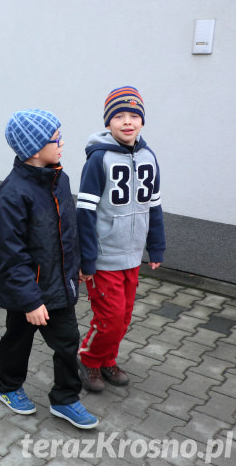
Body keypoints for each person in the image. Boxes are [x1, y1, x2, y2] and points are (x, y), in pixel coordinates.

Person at [0, 109, 99, 429]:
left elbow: (69, 230)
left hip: (59, 284)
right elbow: (11, 256)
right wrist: (30, 300)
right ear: (35, 149)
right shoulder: (10, 197)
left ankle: (65, 398)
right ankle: (8, 386)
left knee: (67, 341)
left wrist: (79, 265)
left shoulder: (59, 178)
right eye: (57, 138)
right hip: (29, 293)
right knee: (17, 339)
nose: (63, 143)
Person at [77, 86, 165, 392]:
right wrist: (86, 258)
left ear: (142, 121)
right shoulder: (98, 160)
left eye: (133, 115)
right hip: (103, 257)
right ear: (108, 122)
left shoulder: (149, 157)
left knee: (124, 316)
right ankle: (87, 359)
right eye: (119, 116)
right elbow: (85, 213)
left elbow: (153, 205)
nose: (127, 122)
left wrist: (156, 246)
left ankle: (106, 360)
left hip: (132, 254)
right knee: (110, 317)